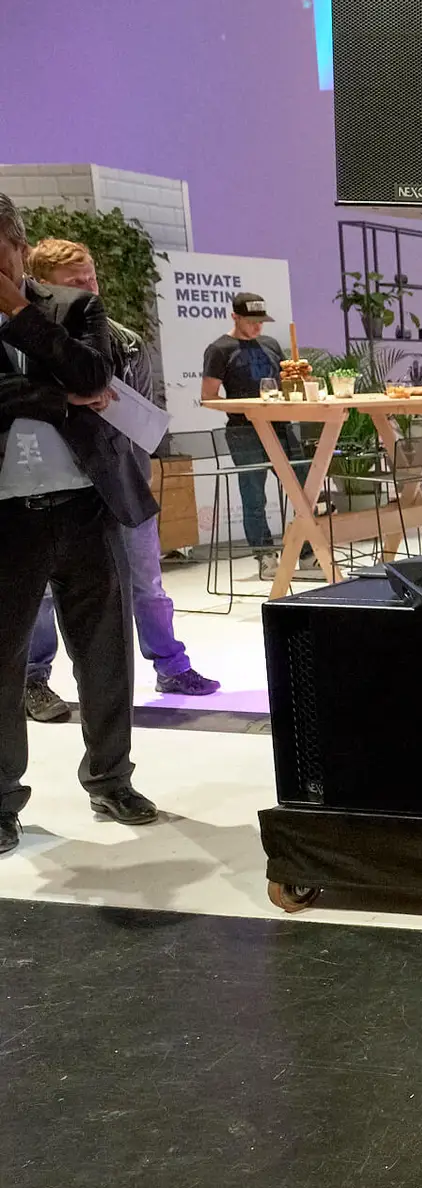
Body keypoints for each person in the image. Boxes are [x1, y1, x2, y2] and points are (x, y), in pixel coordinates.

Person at [0, 193, 162, 856]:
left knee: (105, 653)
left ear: (18, 246)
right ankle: (2, 803)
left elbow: (94, 375)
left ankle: (111, 779)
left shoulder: (72, 308)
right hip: (6, 518)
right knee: (3, 665)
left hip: (86, 505)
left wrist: (17, 311)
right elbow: (72, 387)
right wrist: (55, 394)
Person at [21, 240, 217, 722]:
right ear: (43, 286)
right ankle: (34, 679)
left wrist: (133, 469)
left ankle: (171, 665)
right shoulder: (26, 345)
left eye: (91, 278)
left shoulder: (125, 340)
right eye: (75, 283)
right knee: (41, 592)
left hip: (120, 480)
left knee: (148, 582)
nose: (90, 288)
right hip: (48, 484)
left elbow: (143, 415)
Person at [200, 292, 305, 582]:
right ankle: (265, 555)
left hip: (281, 426)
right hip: (244, 430)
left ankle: (307, 550)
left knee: (303, 489)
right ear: (235, 317)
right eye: (251, 321)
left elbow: (285, 383)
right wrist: (247, 407)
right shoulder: (219, 349)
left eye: (261, 321)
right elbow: (208, 397)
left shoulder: (270, 344)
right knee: (253, 495)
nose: (258, 327)